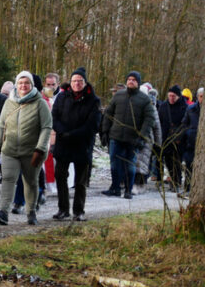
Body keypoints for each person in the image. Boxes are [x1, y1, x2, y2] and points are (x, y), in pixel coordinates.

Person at [0, 71, 51, 226]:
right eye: (20, 83)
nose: (23, 86)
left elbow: (46, 127)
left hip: (31, 151)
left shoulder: (40, 103)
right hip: (10, 149)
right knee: (8, 179)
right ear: (16, 85)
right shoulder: (9, 103)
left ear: (31, 85)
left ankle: (31, 212)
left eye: (26, 83)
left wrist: (40, 149)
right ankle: (3, 212)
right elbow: (1, 125)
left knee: (30, 182)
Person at [50, 67, 100, 221]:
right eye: (74, 81)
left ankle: (79, 211)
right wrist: (62, 131)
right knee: (60, 176)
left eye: (80, 81)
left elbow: (92, 125)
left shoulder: (93, 100)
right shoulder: (62, 97)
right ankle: (63, 209)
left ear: (85, 82)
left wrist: (73, 134)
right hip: (63, 142)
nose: (77, 83)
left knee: (80, 181)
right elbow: (54, 117)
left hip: (82, 144)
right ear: (70, 82)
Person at [101, 71, 154, 199]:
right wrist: (105, 131)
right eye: (129, 79)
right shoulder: (118, 96)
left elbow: (149, 120)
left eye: (134, 80)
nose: (131, 81)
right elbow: (108, 114)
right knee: (114, 164)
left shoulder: (145, 99)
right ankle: (115, 188)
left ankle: (128, 190)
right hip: (116, 136)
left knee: (130, 165)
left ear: (138, 82)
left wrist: (142, 137)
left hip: (133, 139)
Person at [158, 85, 188, 190]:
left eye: (173, 96)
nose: (171, 98)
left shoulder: (184, 107)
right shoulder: (163, 106)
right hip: (166, 138)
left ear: (178, 96)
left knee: (177, 162)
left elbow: (186, 124)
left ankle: (177, 182)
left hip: (179, 140)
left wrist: (180, 137)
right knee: (168, 161)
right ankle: (173, 180)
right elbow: (160, 122)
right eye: (170, 95)